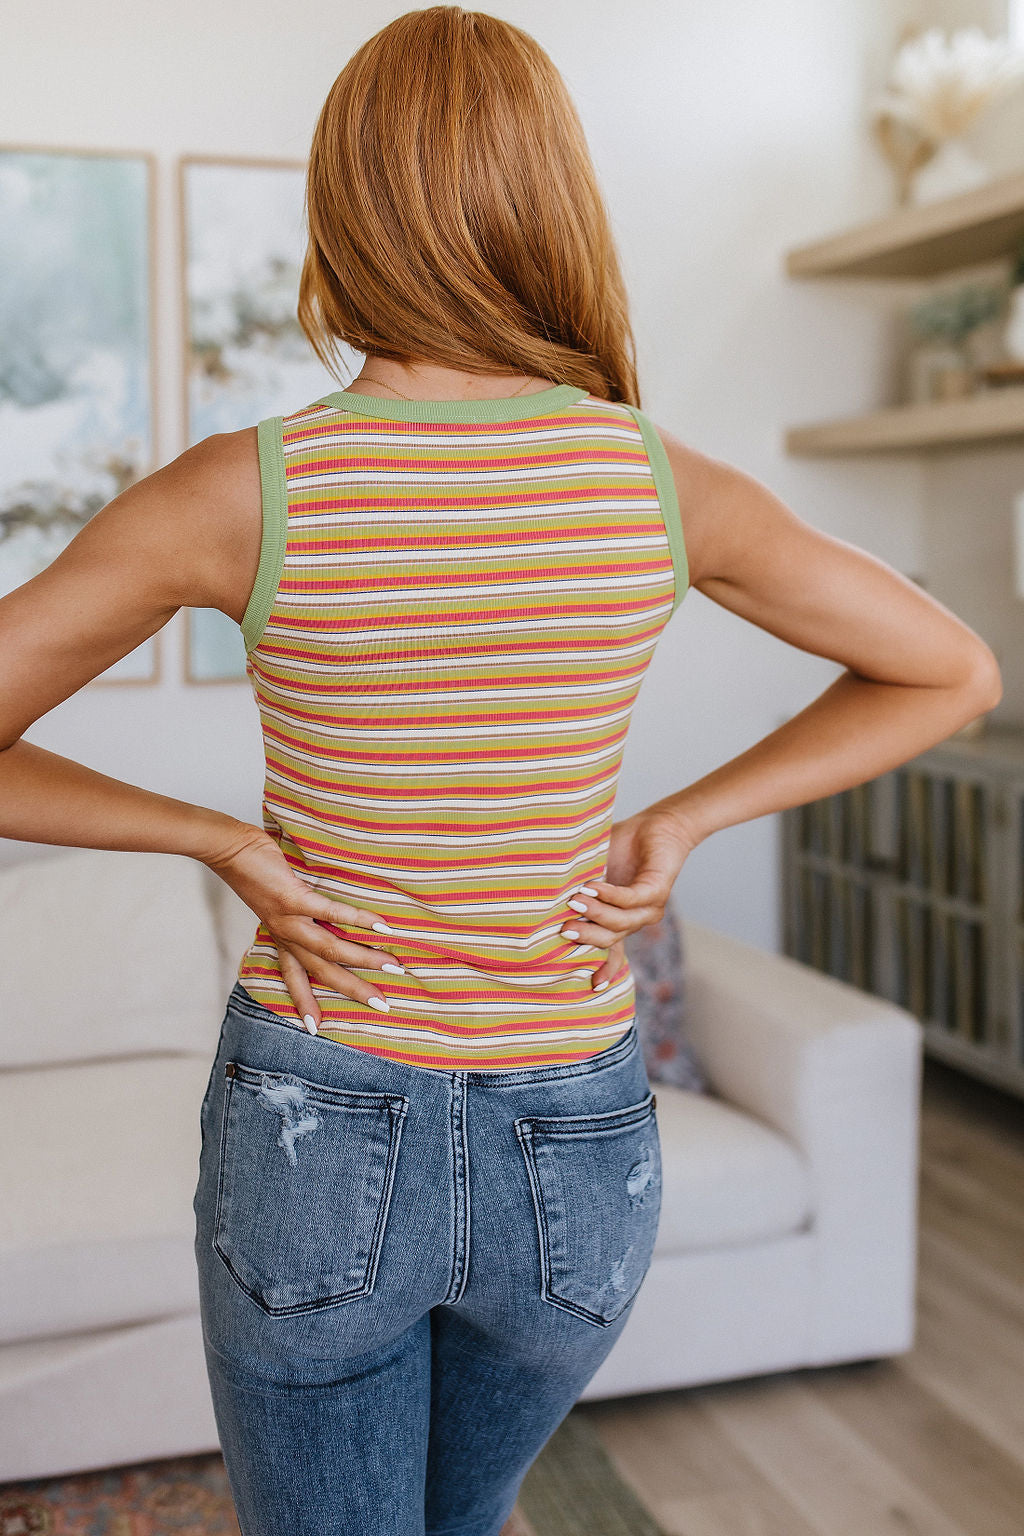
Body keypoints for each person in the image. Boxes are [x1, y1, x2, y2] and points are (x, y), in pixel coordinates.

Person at [0, 8, 1001, 1535]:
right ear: (556, 202)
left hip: (318, 1117)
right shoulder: (658, 481)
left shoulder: (243, 491)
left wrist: (217, 839)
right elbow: (954, 668)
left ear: (343, 211)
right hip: (580, 1139)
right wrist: (684, 818)